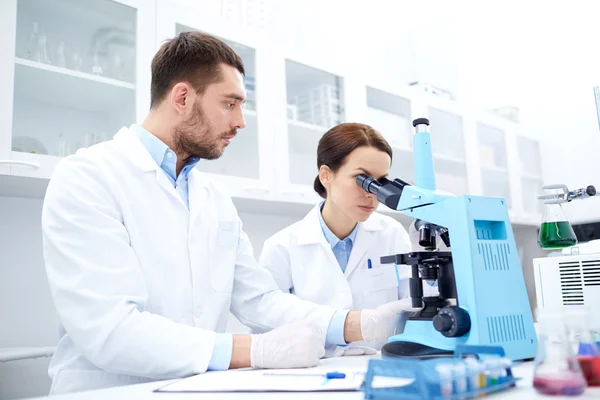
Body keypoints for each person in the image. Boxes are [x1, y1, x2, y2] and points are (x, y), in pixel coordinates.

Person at [41, 31, 415, 395]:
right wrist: (252, 351)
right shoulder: (88, 177)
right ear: (183, 97)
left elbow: (259, 299)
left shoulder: (212, 196)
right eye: (230, 103)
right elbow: (110, 330)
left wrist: (358, 324)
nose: (240, 121)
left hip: (198, 387)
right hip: (110, 391)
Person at [258, 123, 436, 356]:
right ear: (326, 175)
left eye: (381, 182)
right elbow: (265, 324)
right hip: (312, 373)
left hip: (381, 365)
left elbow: (417, 309)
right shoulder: (282, 247)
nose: (372, 194)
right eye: (362, 179)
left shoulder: (391, 233)